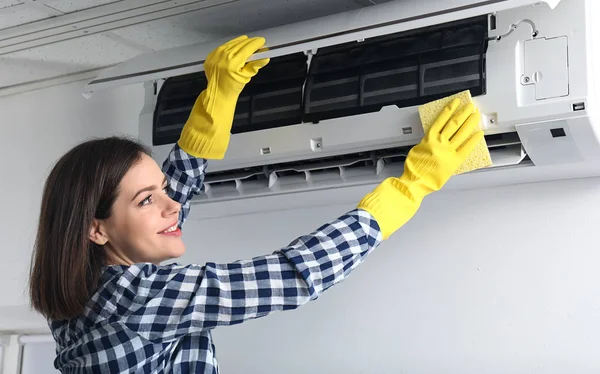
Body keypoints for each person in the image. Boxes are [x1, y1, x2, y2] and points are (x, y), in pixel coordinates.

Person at [28, 35, 483, 373]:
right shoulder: (135, 299)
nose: (172, 207)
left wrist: (218, 98)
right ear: (96, 229)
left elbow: (170, 198)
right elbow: (292, 276)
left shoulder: (83, 287)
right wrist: (410, 186)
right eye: (148, 199)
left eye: (162, 189)